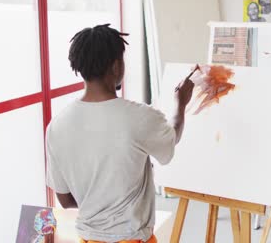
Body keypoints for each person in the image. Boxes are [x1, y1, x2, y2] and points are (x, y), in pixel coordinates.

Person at [45, 24, 194, 243]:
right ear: (116, 66)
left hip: (88, 239)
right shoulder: (139, 117)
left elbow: (65, 199)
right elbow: (170, 141)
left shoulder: (57, 125)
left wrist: (97, 201)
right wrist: (180, 104)